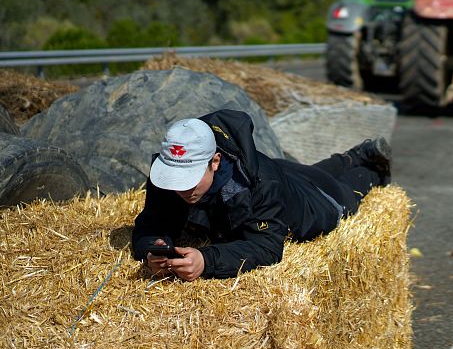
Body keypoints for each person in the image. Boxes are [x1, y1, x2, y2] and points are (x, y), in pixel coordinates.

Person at [130, 109, 392, 281]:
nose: (181, 189)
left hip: (307, 203)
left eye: (190, 179)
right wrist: (153, 249)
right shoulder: (168, 173)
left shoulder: (261, 185)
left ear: (215, 161)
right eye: (175, 179)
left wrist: (206, 261)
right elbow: (151, 223)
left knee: (345, 195)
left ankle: (369, 166)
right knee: (311, 172)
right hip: (281, 171)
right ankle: (353, 155)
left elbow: (266, 247)